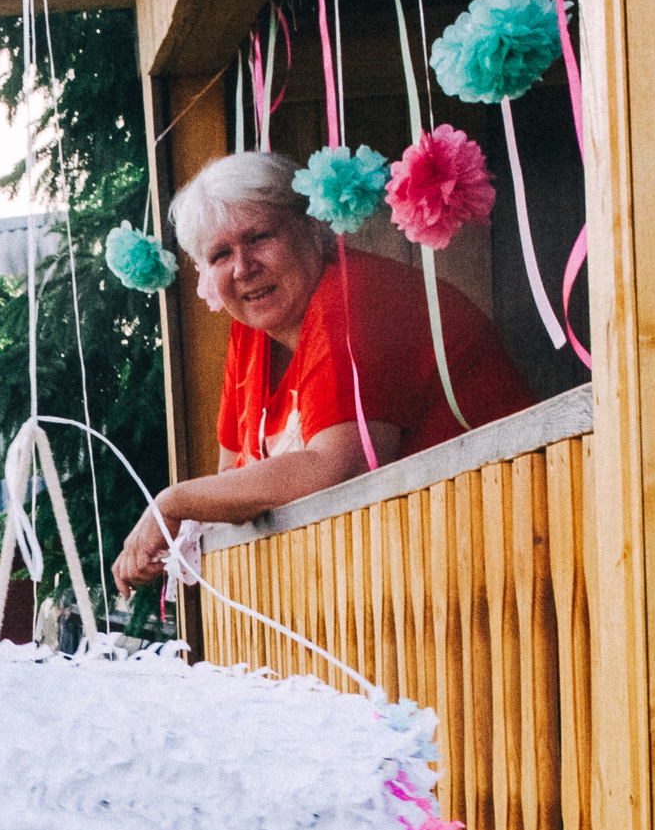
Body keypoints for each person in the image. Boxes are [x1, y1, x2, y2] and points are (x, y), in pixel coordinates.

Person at [114, 149, 535, 593]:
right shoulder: (254, 331)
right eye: (220, 255)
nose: (243, 268)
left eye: (259, 237)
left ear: (312, 227)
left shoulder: (354, 300)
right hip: (415, 573)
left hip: (503, 551)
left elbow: (336, 468)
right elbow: (233, 481)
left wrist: (174, 502)